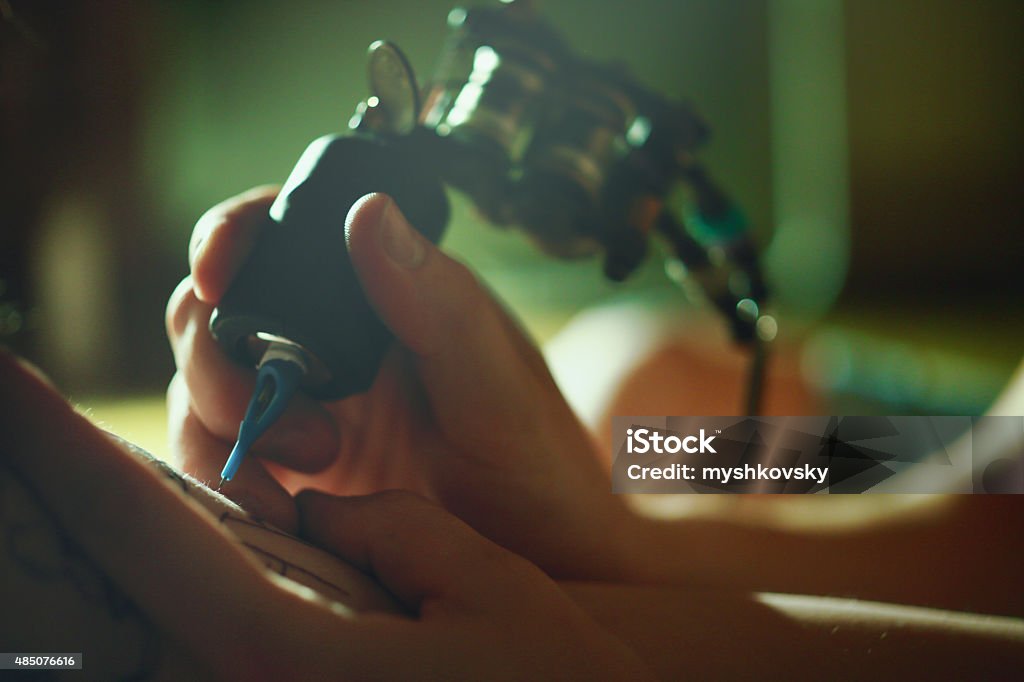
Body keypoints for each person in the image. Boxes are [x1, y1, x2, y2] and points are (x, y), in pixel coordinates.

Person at [2, 188, 1022, 678]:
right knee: (630, 381)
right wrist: (610, 537)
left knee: (640, 397)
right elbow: (997, 518)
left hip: (970, 462)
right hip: (970, 456)